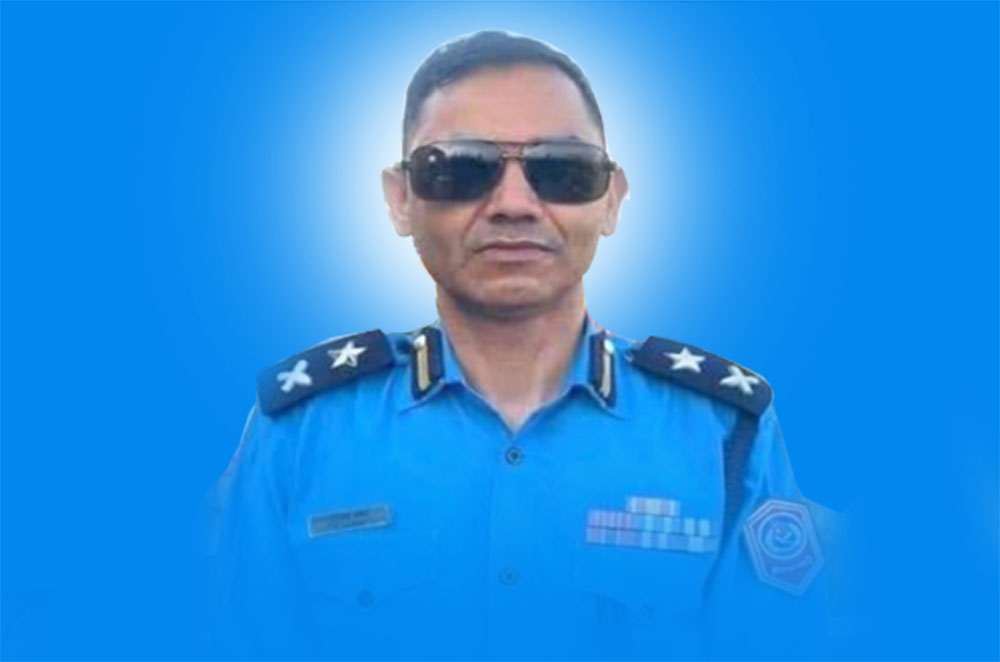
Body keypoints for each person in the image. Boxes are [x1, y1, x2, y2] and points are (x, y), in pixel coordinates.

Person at [204, 29, 839, 661]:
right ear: (400, 201)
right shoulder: (301, 432)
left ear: (611, 200)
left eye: (562, 171)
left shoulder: (725, 433)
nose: (514, 204)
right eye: (460, 170)